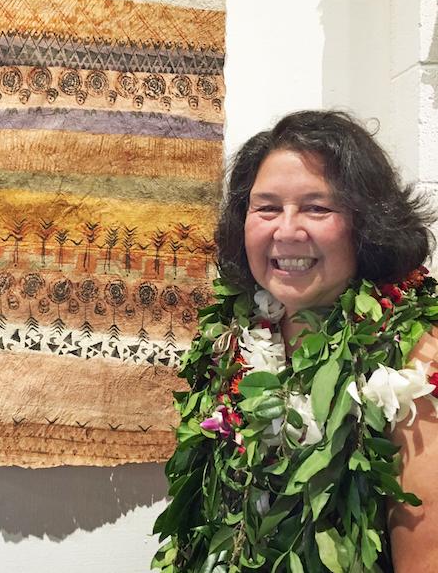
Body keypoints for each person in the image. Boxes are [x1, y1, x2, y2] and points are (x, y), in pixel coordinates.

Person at [154, 110, 438, 573]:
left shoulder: (416, 366)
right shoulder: (234, 336)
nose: (286, 231)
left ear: (367, 223)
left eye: (317, 207)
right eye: (266, 208)